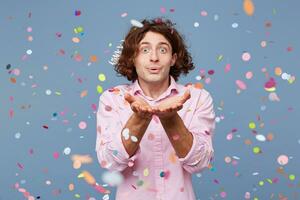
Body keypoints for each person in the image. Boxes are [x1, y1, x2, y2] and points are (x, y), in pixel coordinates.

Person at [96, 17, 216, 200]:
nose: (154, 57)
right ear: (133, 58)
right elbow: (110, 163)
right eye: (145, 50)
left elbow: (199, 162)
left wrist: (171, 119)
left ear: (173, 58)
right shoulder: (113, 99)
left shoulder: (196, 98)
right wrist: (139, 119)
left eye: (162, 49)